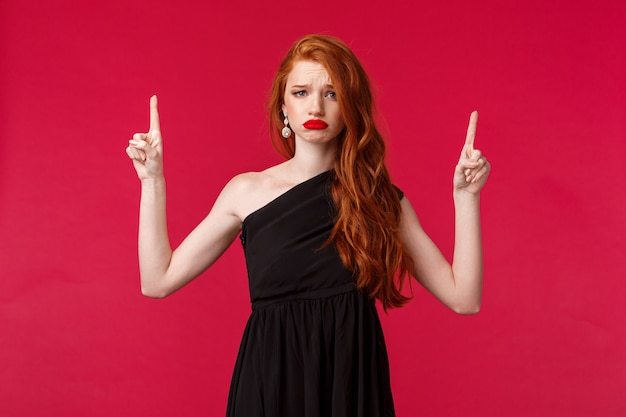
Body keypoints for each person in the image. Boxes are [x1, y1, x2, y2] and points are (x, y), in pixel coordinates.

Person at [126, 34, 490, 417]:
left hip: (351, 388)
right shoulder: (246, 192)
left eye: (332, 93)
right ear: (283, 105)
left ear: (351, 106)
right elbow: (157, 280)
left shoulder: (378, 199)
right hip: (270, 384)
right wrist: (153, 181)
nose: (315, 105)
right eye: (300, 92)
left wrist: (466, 199)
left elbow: (464, 298)